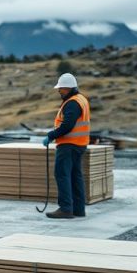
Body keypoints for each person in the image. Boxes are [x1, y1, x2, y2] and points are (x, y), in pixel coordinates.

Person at [43, 73, 91, 219]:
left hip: (68, 145)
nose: (59, 91)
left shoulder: (72, 103)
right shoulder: (81, 99)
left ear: (68, 88)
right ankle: (78, 209)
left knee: (62, 174)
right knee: (75, 176)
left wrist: (51, 135)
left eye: (61, 88)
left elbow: (67, 125)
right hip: (79, 145)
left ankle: (65, 209)